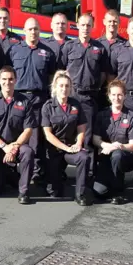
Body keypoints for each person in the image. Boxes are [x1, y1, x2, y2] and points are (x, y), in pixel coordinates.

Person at [7, 17, 57, 190]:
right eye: (29, 29)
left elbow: (51, 78)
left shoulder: (48, 52)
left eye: (36, 29)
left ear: (40, 31)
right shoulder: (14, 50)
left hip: (38, 101)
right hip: (18, 99)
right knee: (14, 134)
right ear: (24, 31)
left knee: (35, 140)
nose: (33, 32)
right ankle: (11, 172)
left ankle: (34, 174)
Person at [0, 66, 36, 204]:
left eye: (11, 79)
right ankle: (8, 173)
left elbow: (28, 129)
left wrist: (14, 147)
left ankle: (23, 192)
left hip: (17, 146)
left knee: (28, 152)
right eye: (4, 79)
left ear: (16, 80)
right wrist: (4, 146)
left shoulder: (25, 101)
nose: (8, 82)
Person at [41, 71, 93, 206]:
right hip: (55, 151)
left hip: (72, 147)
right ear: (55, 88)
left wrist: (78, 143)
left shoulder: (76, 104)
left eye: (67, 86)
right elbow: (48, 134)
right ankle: (55, 182)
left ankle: (80, 194)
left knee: (84, 157)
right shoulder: (47, 106)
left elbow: (82, 128)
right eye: (61, 86)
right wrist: (65, 148)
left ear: (71, 88)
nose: (64, 89)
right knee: (54, 192)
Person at [92, 79, 133, 205]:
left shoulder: (131, 116)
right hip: (105, 155)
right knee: (99, 192)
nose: (117, 98)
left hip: (125, 157)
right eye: (114, 95)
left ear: (125, 95)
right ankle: (110, 182)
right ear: (109, 96)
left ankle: (118, 191)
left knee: (117, 155)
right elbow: (95, 139)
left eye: (120, 94)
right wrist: (106, 145)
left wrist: (118, 146)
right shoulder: (102, 115)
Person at [60, 13, 108, 149]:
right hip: (71, 96)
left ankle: (88, 168)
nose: (85, 28)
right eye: (83, 25)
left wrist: (94, 87)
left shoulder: (100, 48)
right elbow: (61, 71)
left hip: (89, 97)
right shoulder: (68, 47)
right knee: (67, 132)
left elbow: (103, 73)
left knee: (87, 136)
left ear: (92, 27)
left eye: (88, 25)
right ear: (77, 26)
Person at [97, 9, 126, 107]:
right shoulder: (97, 44)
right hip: (99, 90)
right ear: (104, 22)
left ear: (119, 22)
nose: (112, 24)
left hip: (118, 93)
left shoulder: (125, 45)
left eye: (115, 21)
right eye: (109, 21)